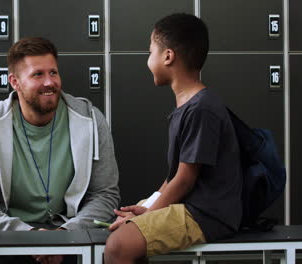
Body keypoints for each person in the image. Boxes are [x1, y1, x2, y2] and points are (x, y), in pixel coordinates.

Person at [0, 37, 120, 263]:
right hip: (10, 232)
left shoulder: (91, 119)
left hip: (71, 231)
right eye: (37, 74)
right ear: (15, 81)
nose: (49, 82)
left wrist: (63, 237)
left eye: (53, 73)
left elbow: (105, 194)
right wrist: (27, 236)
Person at [103, 13, 242, 263]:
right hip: (192, 206)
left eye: (150, 52)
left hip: (206, 214)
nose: (148, 61)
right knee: (125, 224)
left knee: (118, 246)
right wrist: (149, 207)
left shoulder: (201, 108)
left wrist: (147, 216)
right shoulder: (189, 105)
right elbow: (174, 176)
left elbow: (185, 179)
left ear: (168, 56)